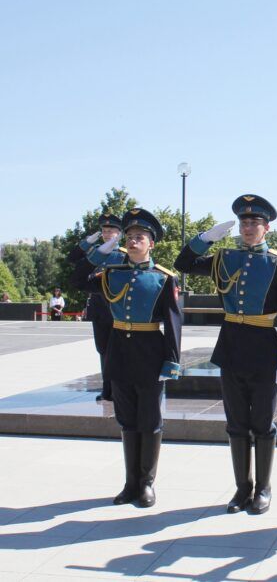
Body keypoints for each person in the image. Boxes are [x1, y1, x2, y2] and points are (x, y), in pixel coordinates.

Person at [174, 194, 277, 515]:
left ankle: (263, 488)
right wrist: (205, 239)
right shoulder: (224, 258)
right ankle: (242, 489)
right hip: (231, 347)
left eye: (254, 223)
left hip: (264, 349)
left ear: (266, 228)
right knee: (236, 423)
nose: (247, 227)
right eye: (244, 222)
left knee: (262, 423)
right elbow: (183, 264)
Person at [70, 208, 181, 508]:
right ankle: (130, 483)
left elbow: (173, 324)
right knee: (127, 421)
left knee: (149, 420)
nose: (133, 242)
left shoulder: (163, 279)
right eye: (129, 237)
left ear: (151, 244)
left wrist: (172, 361)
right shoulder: (111, 275)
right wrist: (99, 251)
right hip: (119, 353)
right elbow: (78, 279)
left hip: (150, 354)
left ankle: (146, 484)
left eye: (140, 238)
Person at [68, 213, 126, 401]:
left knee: (118, 351)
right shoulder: (94, 253)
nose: (107, 234)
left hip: (116, 307)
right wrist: (88, 241)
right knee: (103, 350)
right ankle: (107, 389)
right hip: (98, 308)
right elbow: (72, 258)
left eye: (111, 231)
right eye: (104, 231)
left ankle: (119, 389)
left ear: (119, 233)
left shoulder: (123, 255)